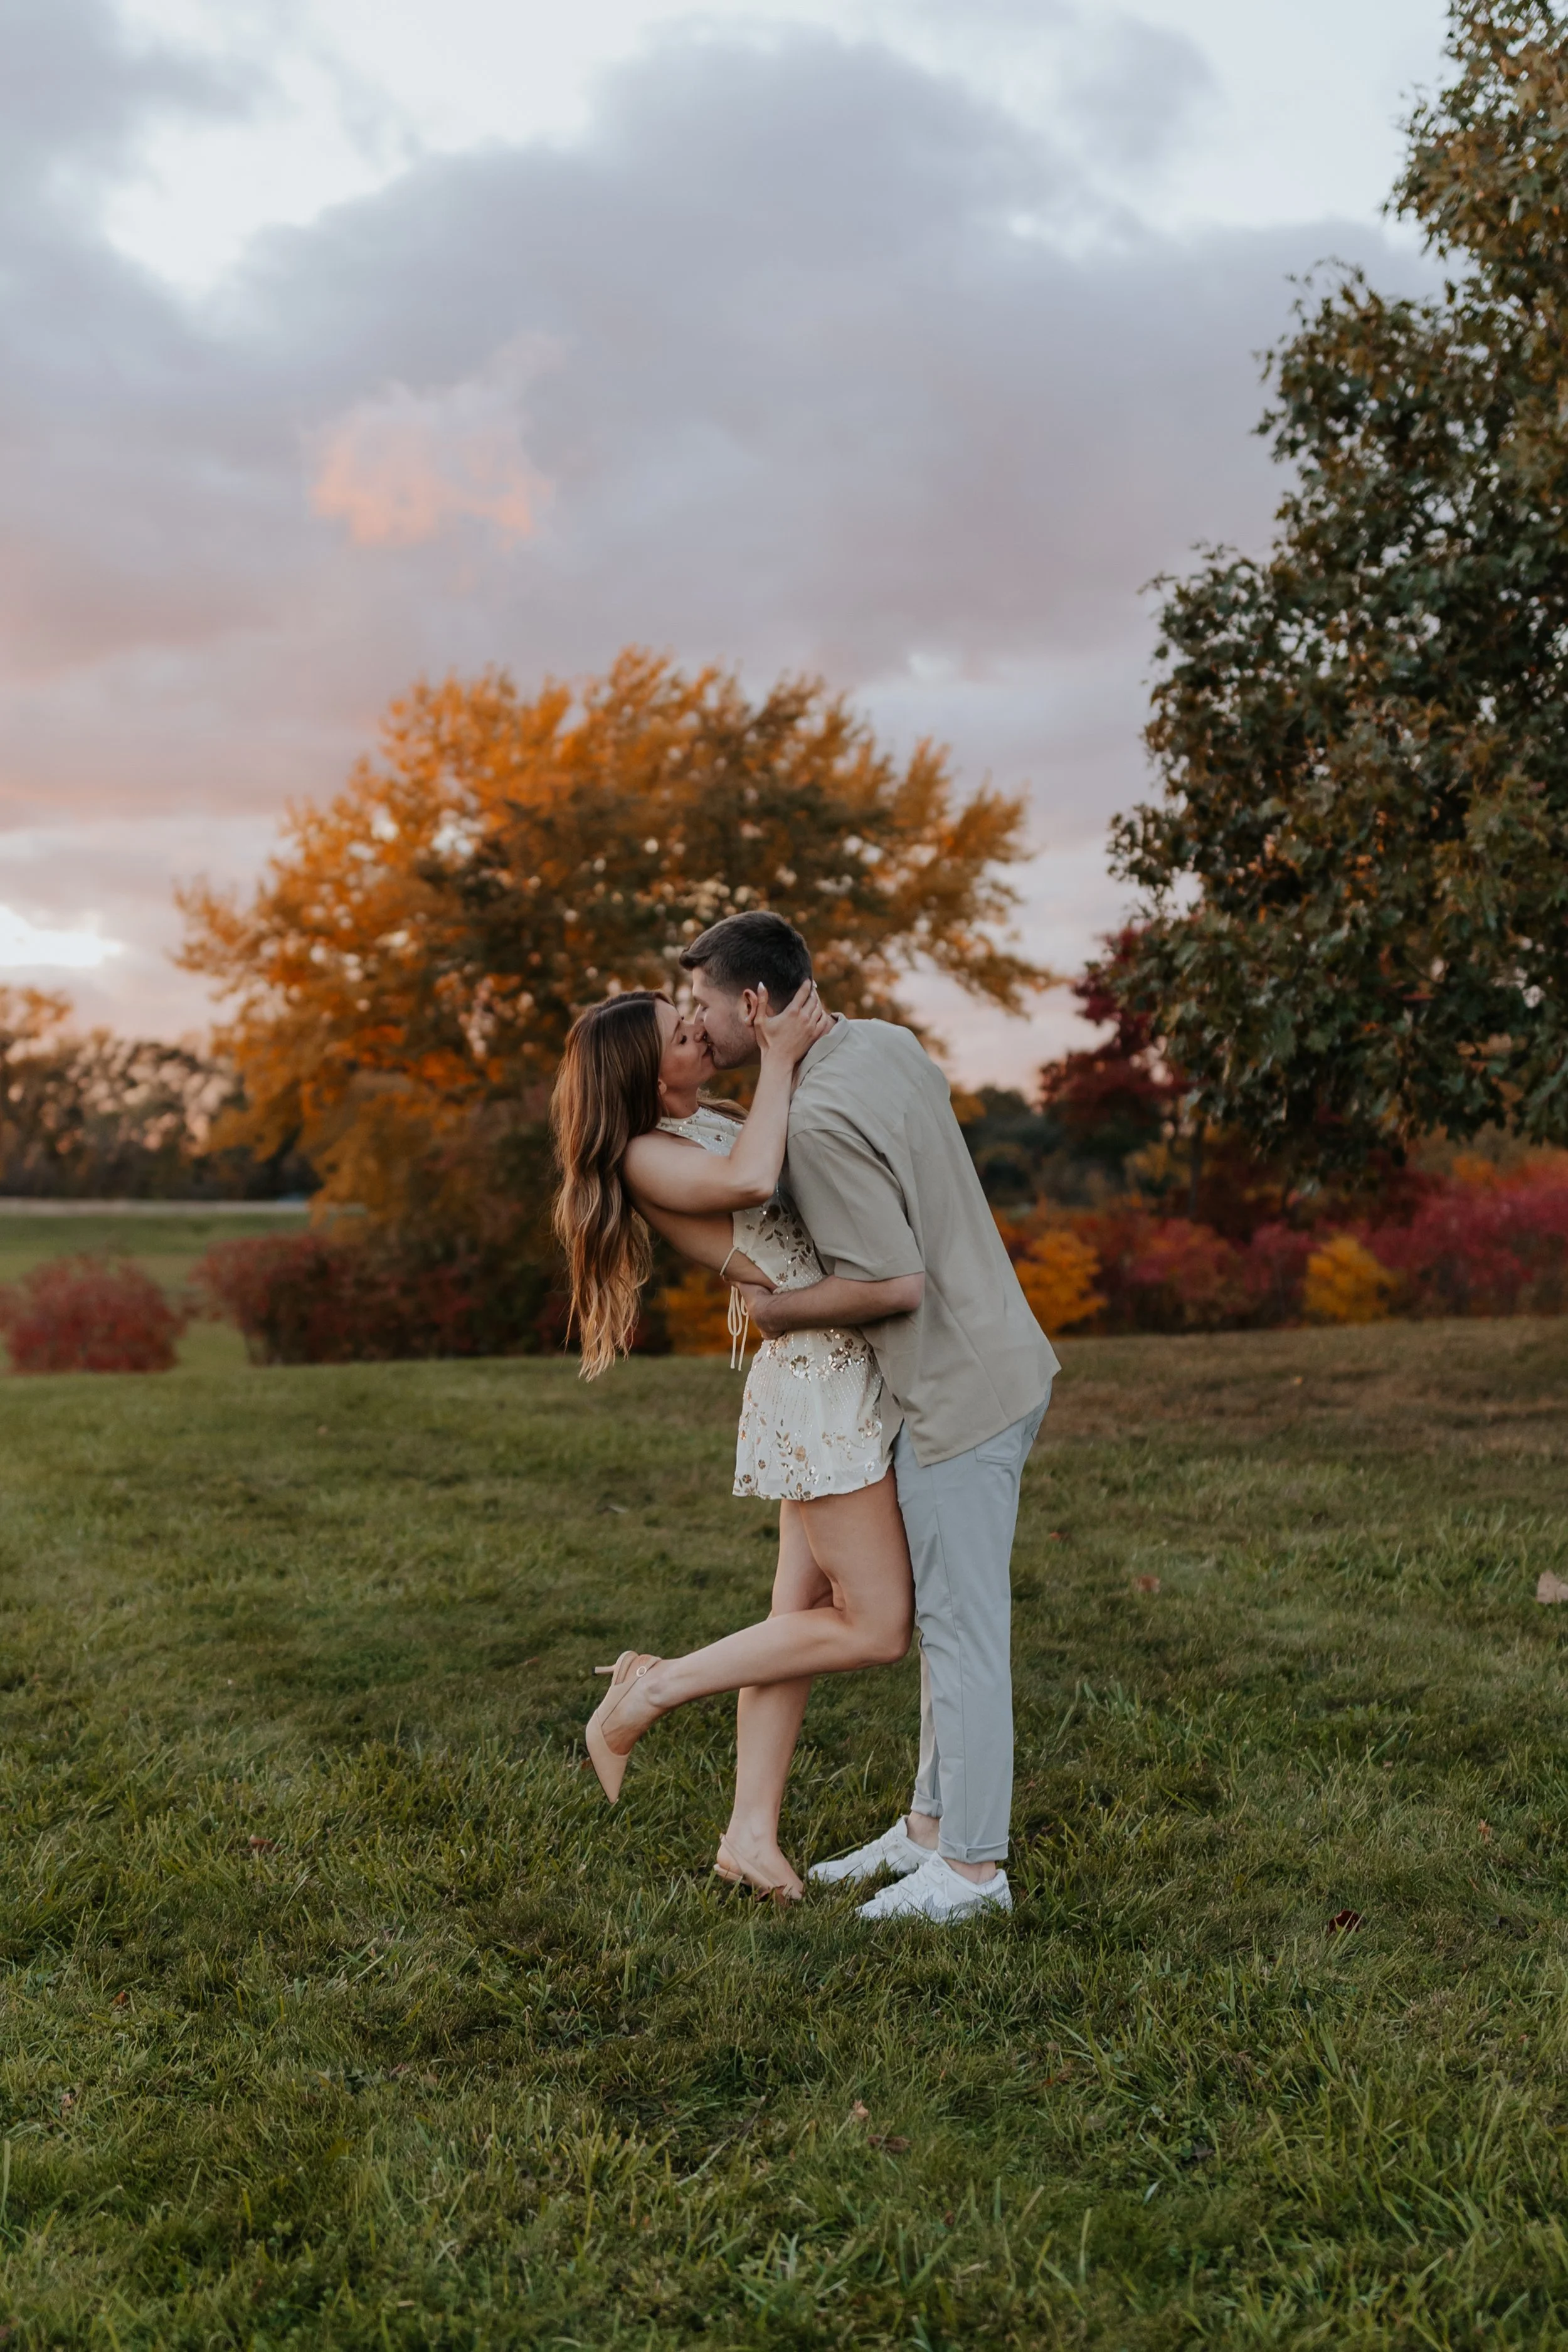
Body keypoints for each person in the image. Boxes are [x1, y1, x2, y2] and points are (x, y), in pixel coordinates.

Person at [683, 910, 1059, 1924]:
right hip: (1004, 1353)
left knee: (962, 1632)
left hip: (955, 1391)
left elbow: (892, 1282)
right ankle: (930, 1829)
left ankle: (974, 1871)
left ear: (753, 1004)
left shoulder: (810, 1121)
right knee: (948, 1626)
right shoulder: (885, 1040)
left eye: (701, 1005)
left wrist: (774, 1310)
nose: (693, 1024)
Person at [549, 978, 921, 1899]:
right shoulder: (645, 1156)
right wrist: (782, 1055)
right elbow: (757, 1181)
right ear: (644, 1068)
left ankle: (749, 1836)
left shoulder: (711, 1116)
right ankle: (653, 1687)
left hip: (835, 1361)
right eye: (685, 1033)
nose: (704, 1034)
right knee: (875, 1627)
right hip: (819, 1383)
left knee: (793, 1621)